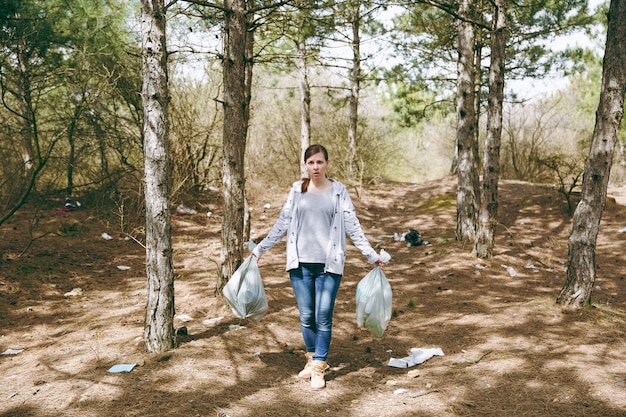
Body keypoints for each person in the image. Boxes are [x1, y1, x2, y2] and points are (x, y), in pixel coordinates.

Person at [252, 144, 383, 389]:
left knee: (323, 315)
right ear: (305, 165)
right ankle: (312, 359)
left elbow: (352, 225)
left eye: (320, 162)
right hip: (300, 264)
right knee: (306, 316)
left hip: (328, 264)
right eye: (311, 163)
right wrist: (260, 248)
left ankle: (319, 365)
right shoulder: (297, 190)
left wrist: (370, 255)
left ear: (327, 164)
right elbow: (282, 223)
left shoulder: (338, 191)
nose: (315, 167)